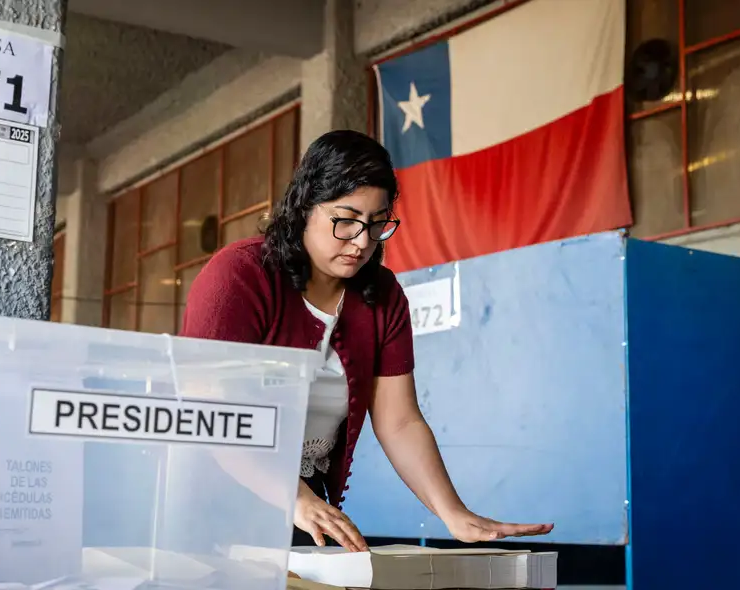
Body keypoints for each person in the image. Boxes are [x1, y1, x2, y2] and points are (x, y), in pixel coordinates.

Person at [180, 129, 554, 551]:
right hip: (210, 495)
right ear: (305, 205)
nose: (361, 242)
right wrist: (296, 498)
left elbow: (400, 422)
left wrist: (453, 513)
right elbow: (208, 408)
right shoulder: (239, 276)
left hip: (301, 500)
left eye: (377, 225)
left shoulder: (383, 296)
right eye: (345, 220)